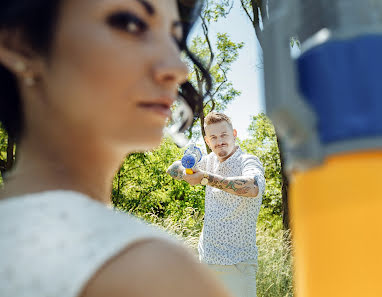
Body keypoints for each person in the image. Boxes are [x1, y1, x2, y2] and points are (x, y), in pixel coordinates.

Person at [0, 1, 232, 297]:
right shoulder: (150, 272)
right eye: (130, 23)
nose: (178, 69)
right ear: (20, 44)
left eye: (174, 38)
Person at [167, 112, 266, 297]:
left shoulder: (248, 161)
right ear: (207, 140)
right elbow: (171, 169)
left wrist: (205, 178)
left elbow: (253, 187)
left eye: (224, 135)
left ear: (234, 134)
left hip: (237, 265)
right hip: (206, 262)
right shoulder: (208, 161)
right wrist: (186, 168)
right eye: (213, 137)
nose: (219, 141)